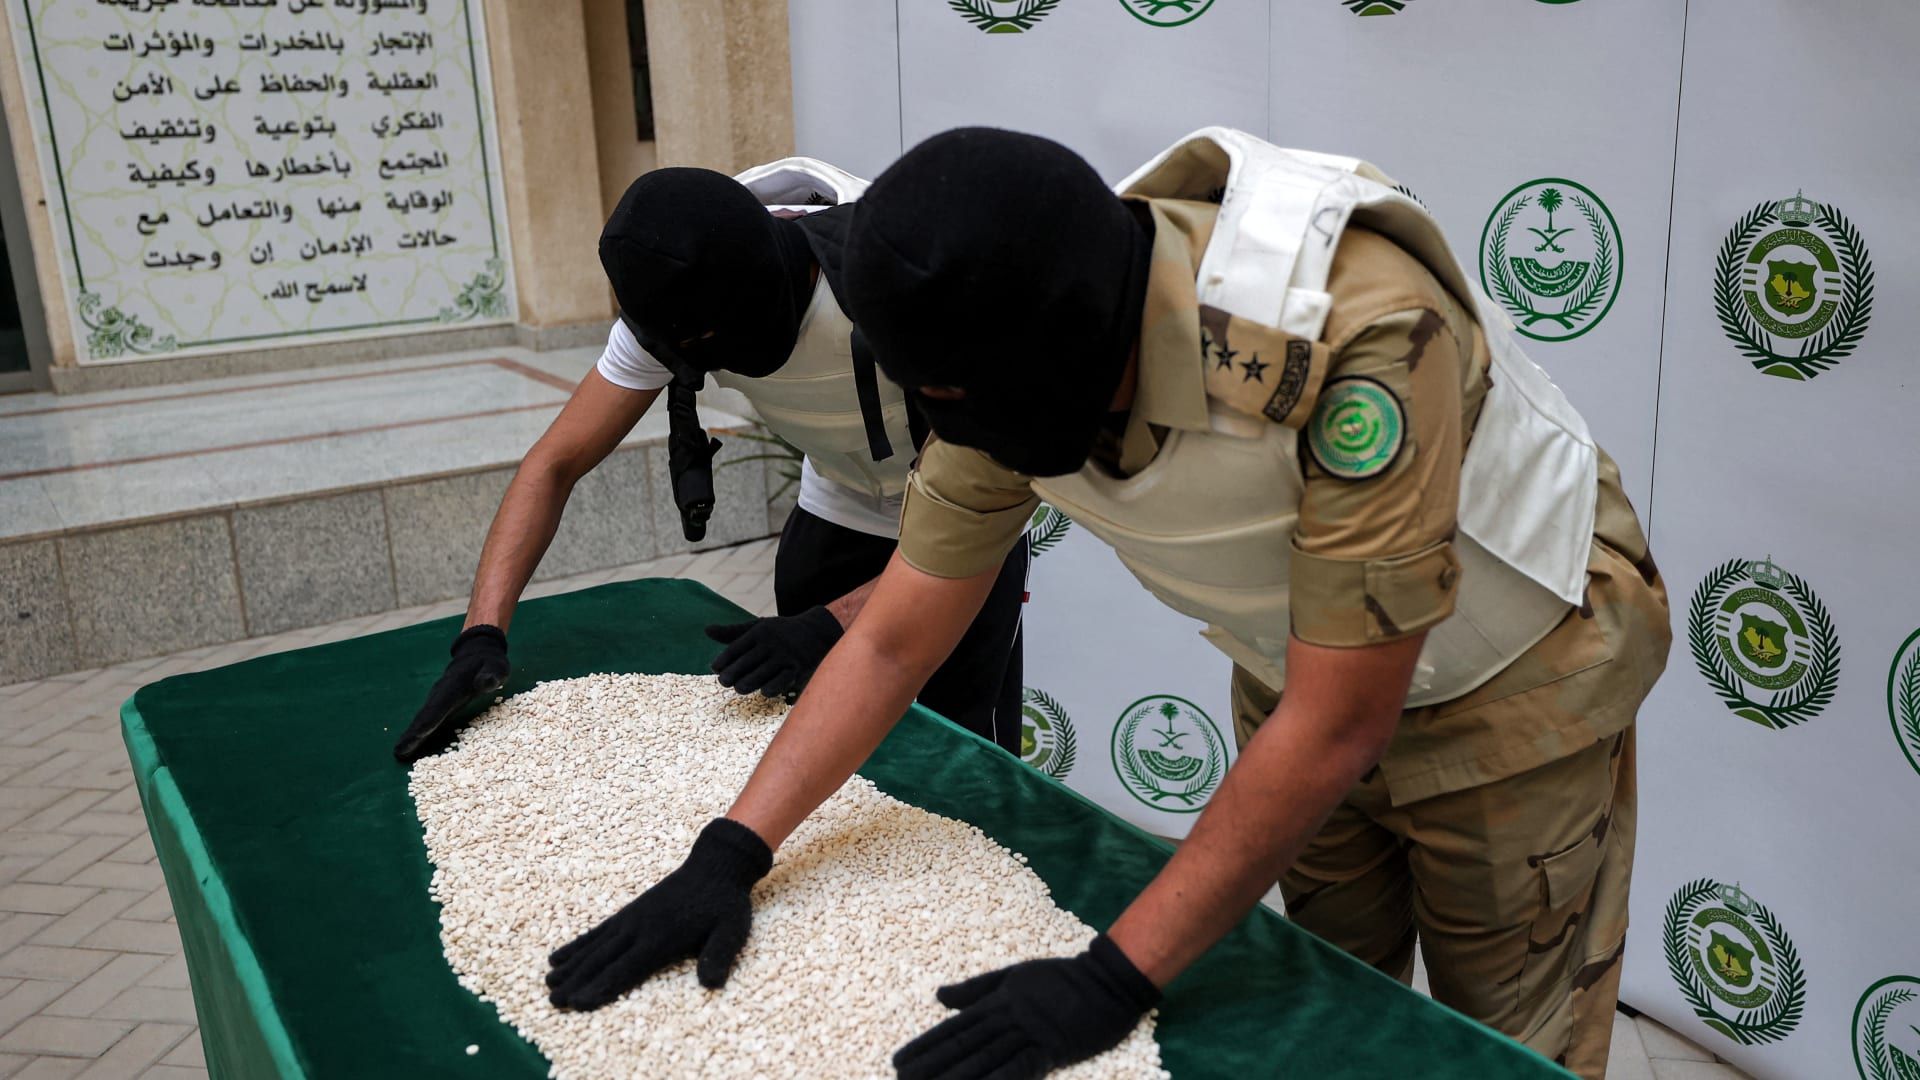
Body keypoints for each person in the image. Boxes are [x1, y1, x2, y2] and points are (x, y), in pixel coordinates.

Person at [538, 128, 1670, 1080]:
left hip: (1515, 683)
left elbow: (1342, 722)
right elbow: (891, 641)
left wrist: (1110, 978)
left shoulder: (1345, 336)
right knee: (1335, 1001)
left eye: (957, 404)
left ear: (1067, 352)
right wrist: (732, 850)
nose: (957, 435)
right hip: (1297, 669)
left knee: (1504, 1045)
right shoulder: (996, 349)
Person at [391, 157, 1027, 765]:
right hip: (837, 504)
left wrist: (829, 626)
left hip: (968, 520)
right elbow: (554, 463)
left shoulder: (907, 279)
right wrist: (481, 636)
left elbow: (988, 500)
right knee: (828, 745)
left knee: (960, 762)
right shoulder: (673, 294)